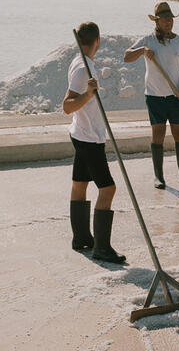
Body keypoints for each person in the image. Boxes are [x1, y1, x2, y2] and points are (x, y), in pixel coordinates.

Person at [63, 21, 126, 264]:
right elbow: (67, 106)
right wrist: (89, 95)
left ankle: (81, 238)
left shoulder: (80, 62)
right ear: (97, 41)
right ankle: (102, 248)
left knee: (80, 183)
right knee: (108, 189)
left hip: (82, 133)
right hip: (89, 137)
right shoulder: (82, 68)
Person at [124, 2, 179, 189]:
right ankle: (159, 177)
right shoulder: (148, 40)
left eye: (170, 19)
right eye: (165, 19)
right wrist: (142, 51)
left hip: (177, 97)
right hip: (155, 96)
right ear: (157, 21)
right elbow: (127, 56)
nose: (168, 22)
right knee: (158, 135)